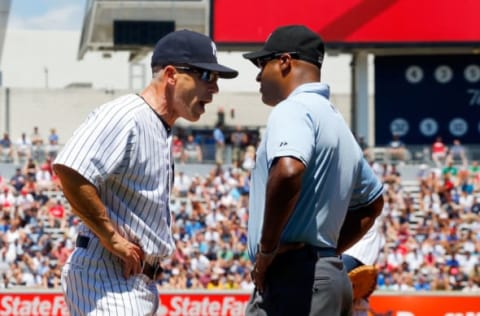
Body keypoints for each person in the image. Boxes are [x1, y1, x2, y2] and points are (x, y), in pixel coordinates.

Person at [52, 29, 237, 316]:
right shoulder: (127, 115)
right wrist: (111, 237)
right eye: (206, 76)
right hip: (108, 274)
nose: (214, 88)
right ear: (172, 74)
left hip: (131, 279)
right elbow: (70, 170)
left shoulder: (158, 125)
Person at [242, 25, 384, 316]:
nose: (258, 75)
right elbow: (372, 203)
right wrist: (328, 253)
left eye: (261, 63)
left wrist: (268, 252)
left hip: (296, 279)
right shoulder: (336, 121)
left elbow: (289, 170)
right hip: (324, 276)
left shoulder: (292, 108)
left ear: (284, 61)